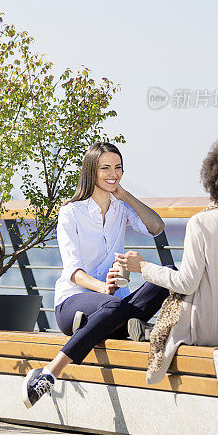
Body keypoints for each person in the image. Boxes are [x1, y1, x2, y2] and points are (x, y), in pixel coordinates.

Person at [116, 132, 218, 385]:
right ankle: (146, 333)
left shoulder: (201, 223)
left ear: (213, 177)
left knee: (170, 321)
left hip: (207, 331)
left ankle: (149, 334)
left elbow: (186, 284)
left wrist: (143, 267)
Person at [22, 141, 168, 408]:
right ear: (92, 171)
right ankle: (49, 373)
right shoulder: (71, 213)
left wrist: (124, 195)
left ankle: (121, 322)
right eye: (105, 168)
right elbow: (73, 271)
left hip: (113, 306)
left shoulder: (120, 208)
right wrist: (103, 287)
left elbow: (156, 227)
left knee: (167, 275)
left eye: (118, 168)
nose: (113, 173)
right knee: (113, 305)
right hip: (73, 303)